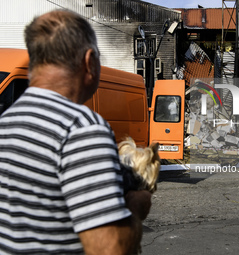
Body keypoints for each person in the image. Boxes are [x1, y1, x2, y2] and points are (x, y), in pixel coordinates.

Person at [0, 10, 151, 254]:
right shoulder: (80, 127)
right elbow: (109, 249)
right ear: (89, 61)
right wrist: (136, 206)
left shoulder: (6, 121)